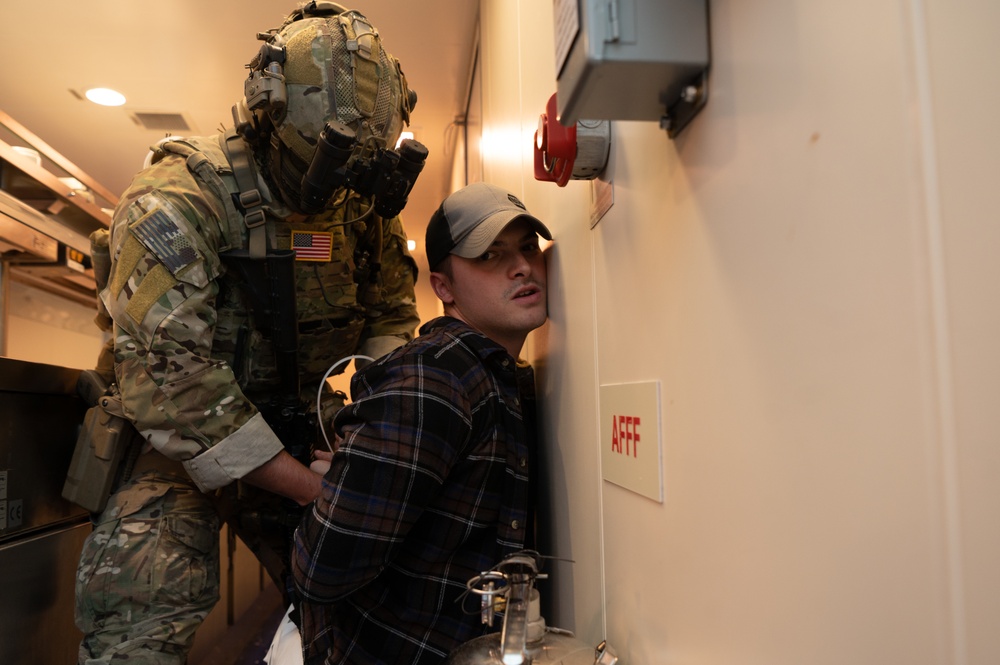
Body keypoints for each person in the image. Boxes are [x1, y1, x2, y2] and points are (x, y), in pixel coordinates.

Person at [71, 3, 424, 663]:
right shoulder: (177, 197)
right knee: (137, 612)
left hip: (302, 436)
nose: (338, 188)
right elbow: (175, 385)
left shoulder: (357, 205)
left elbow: (390, 317)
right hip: (177, 445)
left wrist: (358, 439)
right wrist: (315, 488)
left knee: (372, 602)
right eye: (326, 156)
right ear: (269, 116)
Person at [292, 181, 552, 665]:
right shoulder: (434, 378)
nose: (521, 266)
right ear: (444, 288)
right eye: (490, 256)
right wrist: (330, 493)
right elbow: (320, 569)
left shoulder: (490, 373)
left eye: (527, 247)